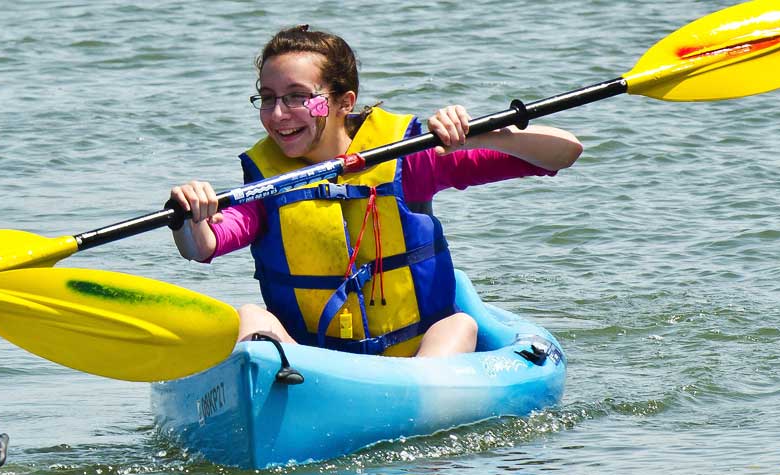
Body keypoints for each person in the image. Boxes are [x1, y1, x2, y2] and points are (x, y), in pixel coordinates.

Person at [168, 25, 583, 358]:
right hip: (319, 370)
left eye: (297, 97)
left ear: (344, 101)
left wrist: (488, 135)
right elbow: (202, 247)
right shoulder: (267, 181)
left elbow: (563, 153)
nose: (278, 115)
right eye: (268, 98)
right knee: (251, 317)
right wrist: (189, 213)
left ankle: (421, 419)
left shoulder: (410, 157)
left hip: (416, 361)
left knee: (460, 325)